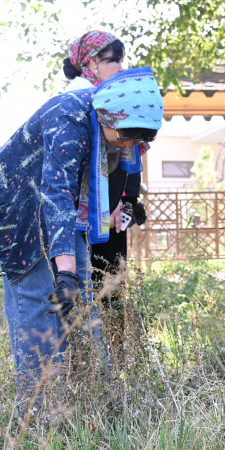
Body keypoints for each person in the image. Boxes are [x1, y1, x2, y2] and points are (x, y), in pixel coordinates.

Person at [0, 67, 163, 408]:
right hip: (16, 208)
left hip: (58, 211)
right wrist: (64, 273)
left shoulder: (112, 124)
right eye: (126, 137)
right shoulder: (69, 116)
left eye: (138, 141)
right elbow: (56, 191)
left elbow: (98, 181)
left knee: (80, 300)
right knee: (42, 300)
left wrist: (119, 210)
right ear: (109, 115)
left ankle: (96, 400)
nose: (130, 146)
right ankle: (39, 416)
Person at [60, 30, 146, 284]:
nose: (120, 68)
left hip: (110, 208)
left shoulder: (109, 96)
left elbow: (124, 156)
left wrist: (126, 201)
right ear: (91, 61)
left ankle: (106, 325)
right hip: (81, 210)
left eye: (122, 60)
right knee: (84, 285)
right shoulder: (77, 99)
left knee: (109, 284)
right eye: (113, 60)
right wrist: (107, 204)